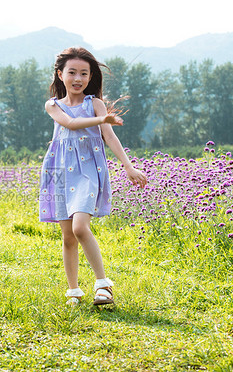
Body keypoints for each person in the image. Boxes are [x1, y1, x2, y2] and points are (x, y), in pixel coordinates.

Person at [39, 47, 147, 306]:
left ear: (90, 77)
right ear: (60, 74)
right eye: (72, 72)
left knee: (79, 227)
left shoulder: (95, 105)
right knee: (67, 236)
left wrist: (129, 167)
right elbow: (69, 124)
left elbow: (109, 136)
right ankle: (74, 291)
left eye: (84, 73)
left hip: (87, 170)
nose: (78, 78)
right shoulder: (53, 105)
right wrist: (101, 119)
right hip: (58, 169)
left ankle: (103, 285)